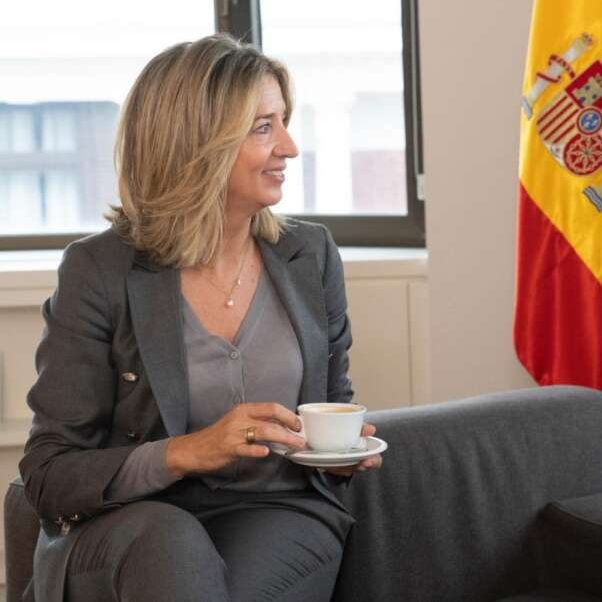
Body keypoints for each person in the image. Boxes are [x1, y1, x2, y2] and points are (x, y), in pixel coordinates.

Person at [19, 35, 382, 602]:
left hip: (276, 509)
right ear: (197, 145)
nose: (289, 146)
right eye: (263, 127)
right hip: (133, 521)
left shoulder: (310, 256)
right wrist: (187, 451)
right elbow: (48, 475)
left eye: (283, 122)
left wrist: (342, 453)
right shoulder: (98, 269)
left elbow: (330, 407)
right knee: (172, 547)